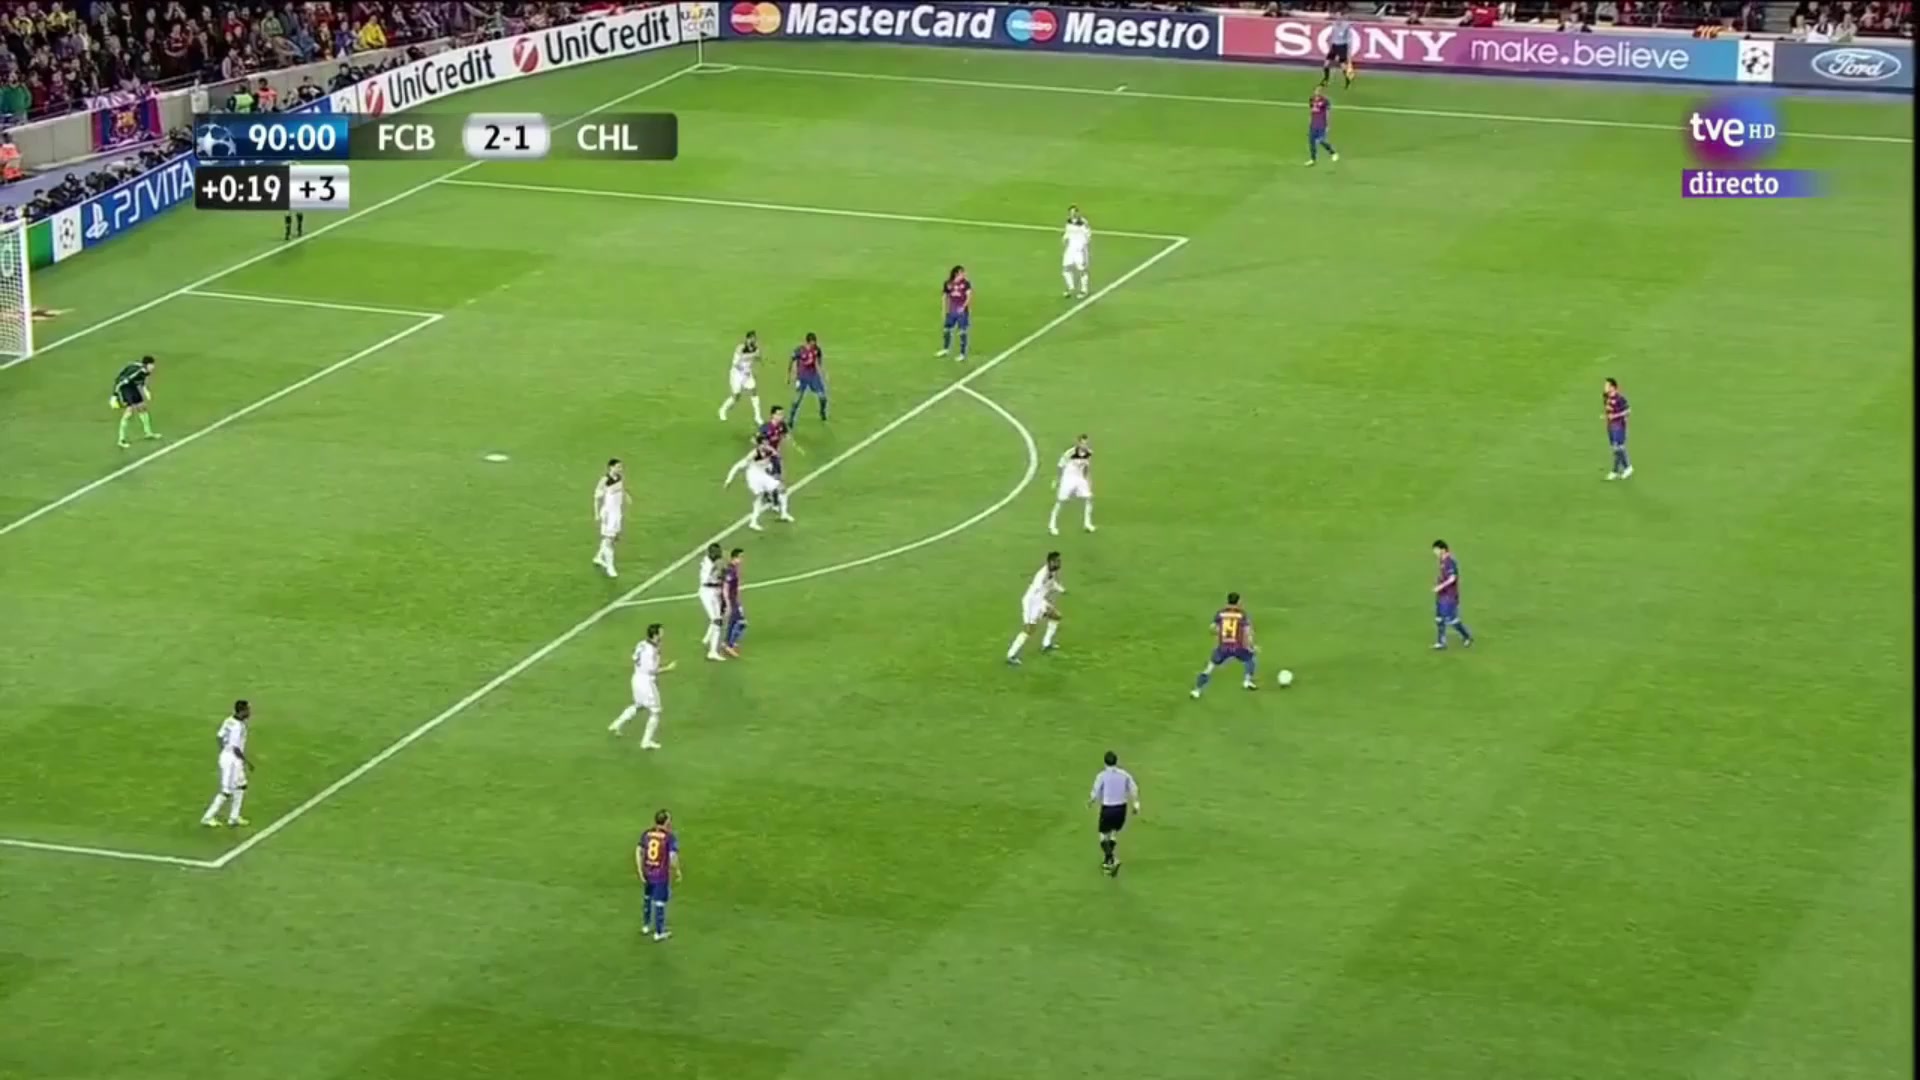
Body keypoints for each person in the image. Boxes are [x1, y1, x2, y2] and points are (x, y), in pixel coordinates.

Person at [610, 624, 674, 748]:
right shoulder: (651, 650)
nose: (663, 634)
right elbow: (652, 670)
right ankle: (646, 742)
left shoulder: (642, 644)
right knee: (655, 711)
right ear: (655, 635)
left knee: (639, 705)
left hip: (636, 678)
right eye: (661, 632)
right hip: (646, 682)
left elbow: (634, 657)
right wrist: (668, 668)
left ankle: (616, 724)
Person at [199, 701, 254, 827]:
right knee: (226, 791)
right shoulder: (238, 727)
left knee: (241, 785)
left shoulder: (229, 720)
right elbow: (235, 748)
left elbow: (219, 737)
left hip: (229, 757)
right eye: (248, 710)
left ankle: (234, 817)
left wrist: (223, 751)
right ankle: (207, 817)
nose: (250, 712)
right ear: (242, 711)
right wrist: (247, 762)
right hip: (232, 760)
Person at [1087, 750, 1141, 877]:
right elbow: (1134, 788)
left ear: (1105, 762)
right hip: (1121, 808)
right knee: (1113, 833)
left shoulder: (1102, 775)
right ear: (1116, 761)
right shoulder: (1124, 774)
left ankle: (1110, 859)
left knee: (1102, 835)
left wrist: (1091, 801)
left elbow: (1096, 791)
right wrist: (1136, 804)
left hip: (1108, 808)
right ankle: (1108, 861)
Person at [1006, 552, 1064, 665]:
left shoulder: (1051, 571)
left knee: (1056, 616)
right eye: (1057, 561)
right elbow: (1034, 593)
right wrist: (1035, 612)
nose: (1059, 563)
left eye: (1059, 561)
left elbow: (1051, 583)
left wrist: (1060, 589)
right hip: (1031, 603)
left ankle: (1046, 644)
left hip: (1039, 601)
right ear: (1050, 562)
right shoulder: (1041, 575)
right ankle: (1011, 655)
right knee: (1029, 630)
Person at [636, 809, 682, 942]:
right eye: (670, 820)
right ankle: (659, 932)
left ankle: (646, 926)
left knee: (647, 898)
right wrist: (677, 870)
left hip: (647, 872)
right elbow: (672, 856)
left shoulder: (647, 833)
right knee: (660, 902)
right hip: (660, 875)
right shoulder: (669, 837)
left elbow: (638, 850)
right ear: (666, 822)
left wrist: (640, 870)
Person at [1048, 434, 1095, 536]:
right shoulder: (1070, 453)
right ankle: (1052, 525)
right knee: (1061, 501)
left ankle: (1087, 523)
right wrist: (1057, 480)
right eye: (1083, 443)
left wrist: (1088, 480)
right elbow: (1060, 466)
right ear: (1078, 443)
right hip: (1068, 478)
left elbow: (1086, 467)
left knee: (1088, 498)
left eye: (1086, 443)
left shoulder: (1088, 453)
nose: (1085, 445)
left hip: (1080, 478)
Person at [110, 355, 160, 448]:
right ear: (146, 365)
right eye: (152, 365)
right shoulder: (136, 372)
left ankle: (148, 433)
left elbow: (141, 381)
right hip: (125, 388)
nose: (153, 367)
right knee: (129, 411)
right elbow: (120, 383)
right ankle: (121, 440)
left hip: (132, 386)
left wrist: (145, 390)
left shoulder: (146, 371)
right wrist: (114, 396)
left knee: (142, 407)